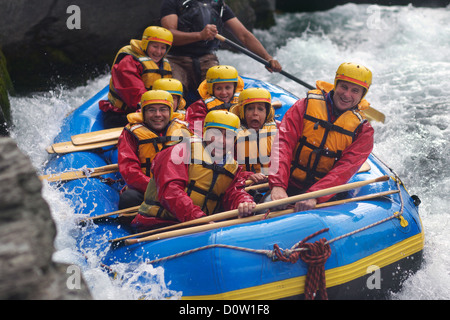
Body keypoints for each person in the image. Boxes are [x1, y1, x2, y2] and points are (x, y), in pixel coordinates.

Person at [268, 62, 375, 212]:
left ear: (362, 94)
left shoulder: (363, 131)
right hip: (289, 182)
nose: (347, 94)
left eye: (355, 91)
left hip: (324, 194)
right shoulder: (304, 106)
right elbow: (283, 144)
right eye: (343, 87)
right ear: (336, 84)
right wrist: (278, 185)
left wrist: (315, 195)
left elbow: (344, 170)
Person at [131, 110, 256, 232]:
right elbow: (171, 191)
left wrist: (244, 202)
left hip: (200, 226)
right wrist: (198, 218)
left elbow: (235, 192)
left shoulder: (232, 166)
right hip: (160, 223)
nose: (221, 141)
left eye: (228, 136)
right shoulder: (180, 151)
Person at [160, 0, 282, 102]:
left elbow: (244, 35)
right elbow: (169, 35)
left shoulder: (218, 5)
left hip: (206, 58)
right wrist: (199, 35)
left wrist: (267, 58)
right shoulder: (173, 2)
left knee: (222, 94)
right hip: (176, 59)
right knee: (172, 90)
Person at [117, 90, 191, 210]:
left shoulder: (184, 130)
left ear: (171, 112)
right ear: (143, 113)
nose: (157, 114)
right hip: (147, 190)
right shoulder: (131, 133)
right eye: (151, 110)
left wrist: (175, 191)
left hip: (179, 190)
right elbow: (129, 170)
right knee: (129, 198)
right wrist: (157, 189)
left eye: (163, 109)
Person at [99, 26, 174, 129]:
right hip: (121, 115)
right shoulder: (128, 63)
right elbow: (136, 94)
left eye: (163, 48)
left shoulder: (163, 63)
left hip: (151, 110)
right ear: (145, 44)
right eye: (155, 46)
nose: (158, 52)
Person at [230, 87, 278, 183]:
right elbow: (226, 167)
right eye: (250, 109)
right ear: (242, 112)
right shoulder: (232, 135)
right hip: (245, 185)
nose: (255, 113)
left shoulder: (277, 130)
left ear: (267, 113)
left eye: (260, 109)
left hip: (271, 182)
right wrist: (246, 175)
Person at [185, 65, 244, 136]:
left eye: (228, 88)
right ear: (211, 89)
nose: (224, 92)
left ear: (234, 88)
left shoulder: (243, 103)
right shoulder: (199, 107)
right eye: (218, 88)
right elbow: (197, 131)